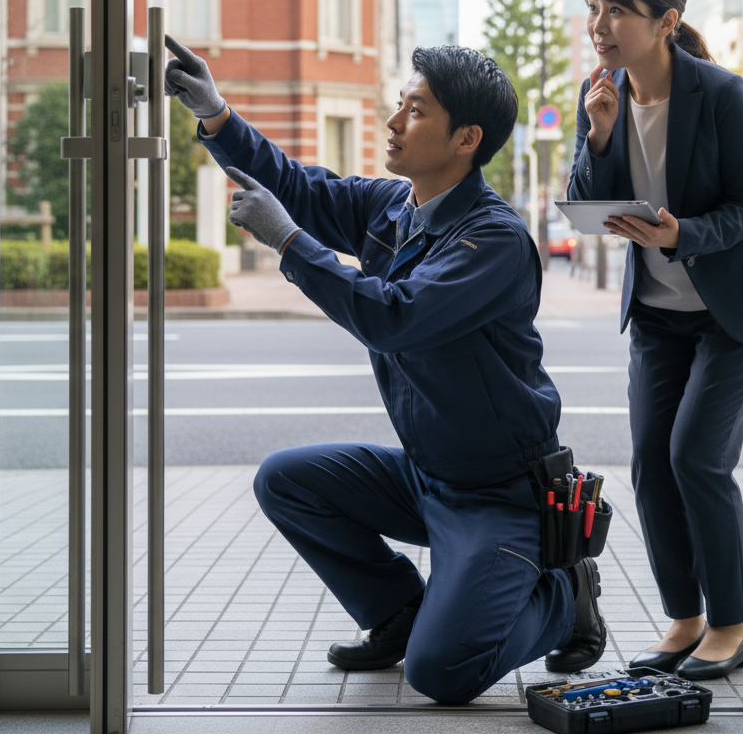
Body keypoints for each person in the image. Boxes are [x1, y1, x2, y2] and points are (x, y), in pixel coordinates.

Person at [164, 40, 607, 705]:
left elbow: (394, 318)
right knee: (287, 480)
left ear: (466, 138)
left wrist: (290, 243)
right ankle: (398, 611)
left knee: (442, 673)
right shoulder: (391, 208)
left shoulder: (493, 240)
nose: (395, 123)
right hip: (428, 477)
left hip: (500, 497)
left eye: (417, 111)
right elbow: (292, 184)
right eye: (401, 105)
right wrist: (216, 113)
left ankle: (562, 595)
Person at [567, 0, 743, 680]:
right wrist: (601, 131)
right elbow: (587, 196)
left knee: (695, 459)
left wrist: (683, 235)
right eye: (594, 7)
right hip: (656, 315)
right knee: (649, 464)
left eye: (615, 10)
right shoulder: (603, 92)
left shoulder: (723, 95)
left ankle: (733, 622)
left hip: (728, 313)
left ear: (666, 21)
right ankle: (686, 618)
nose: (599, 24)